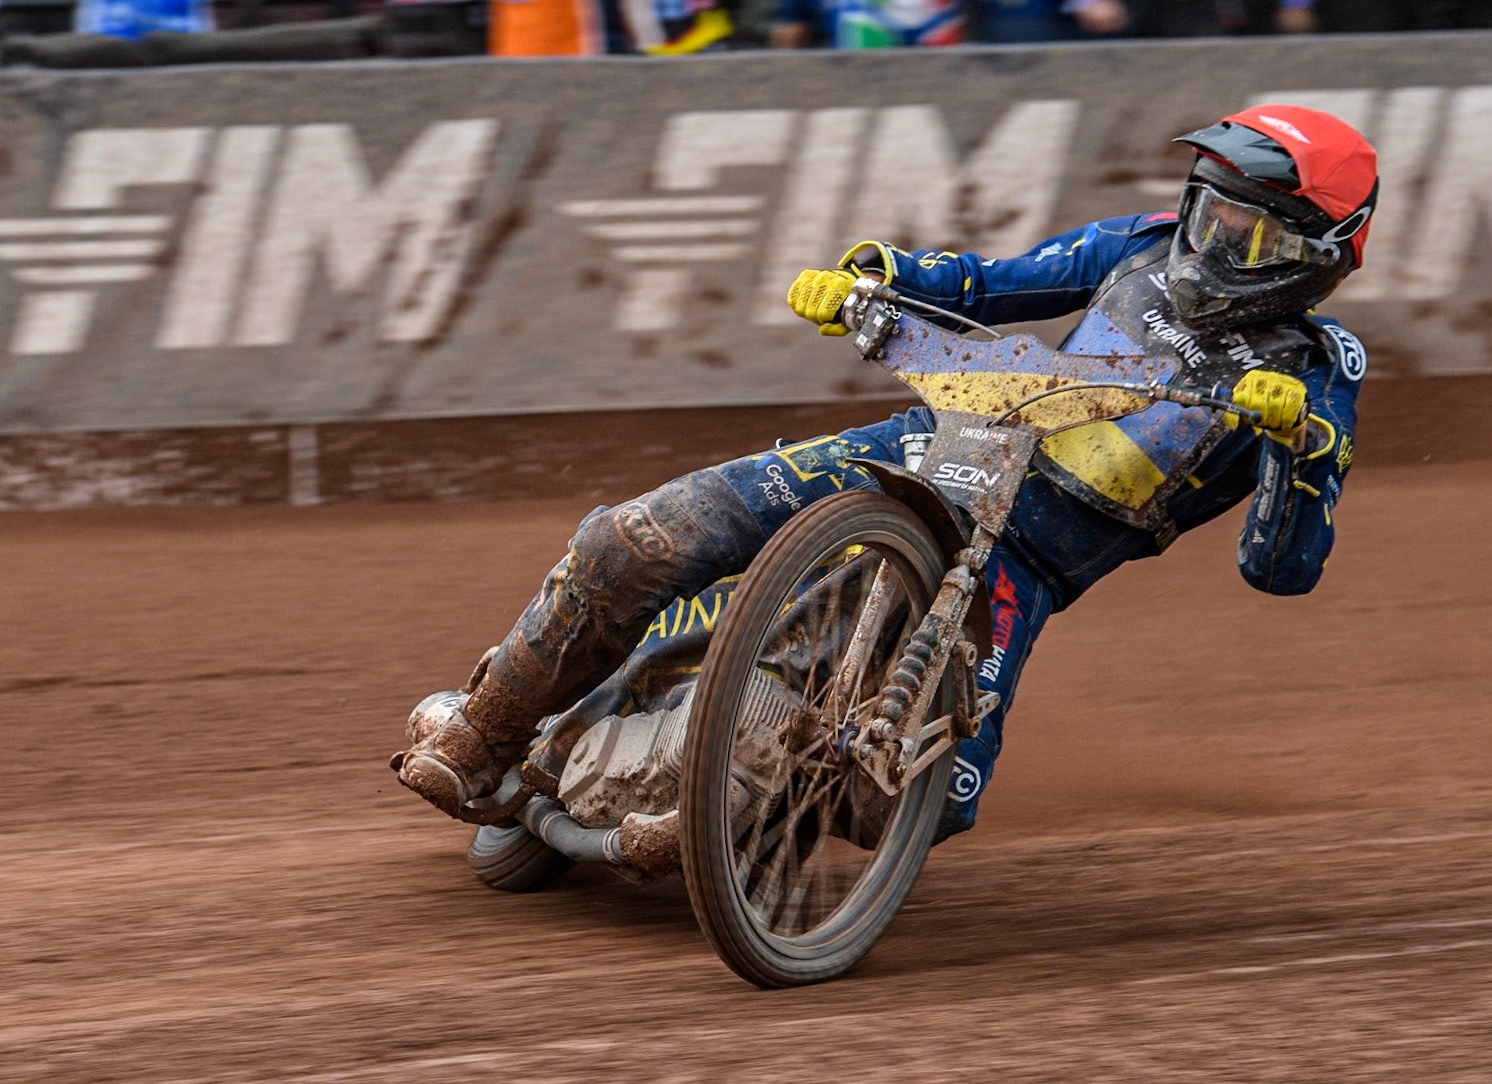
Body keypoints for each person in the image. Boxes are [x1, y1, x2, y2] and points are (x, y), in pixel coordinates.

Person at [393, 104, 1378, 842]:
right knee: (638, 538)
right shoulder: (1140, 246)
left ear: (1319, 256)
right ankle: (483, 729)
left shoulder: (1313, 369)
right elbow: (992, 286)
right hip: (928, 445)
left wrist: (1303, 449)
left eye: (1251, 233)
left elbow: (1281, 569)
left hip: (1021, 565)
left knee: (917, 800)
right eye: (1211, 213)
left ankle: (736, 812)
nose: (1214, 241)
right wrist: (881, 277)